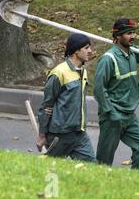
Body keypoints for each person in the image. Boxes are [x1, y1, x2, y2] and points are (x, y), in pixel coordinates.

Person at [94, 18, 139, 169]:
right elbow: (99, 90)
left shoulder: (132, 53)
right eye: (128, 33)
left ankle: (133, 184)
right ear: (117, 36)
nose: (132, 36)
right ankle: (97, 187)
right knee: (104, 161)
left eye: (133, 33)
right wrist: (111, 112)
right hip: (112, 116)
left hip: (129, 115)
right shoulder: (108, 59)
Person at [36, 33, 96, 162]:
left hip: (79, 134)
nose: (90, 51)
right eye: (86, 47)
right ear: (76, 50)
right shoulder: (59, 73)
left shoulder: (83, 71)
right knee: (51, 173)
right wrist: (41, 135)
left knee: (91, 168)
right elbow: (46, 106)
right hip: (59, 136)